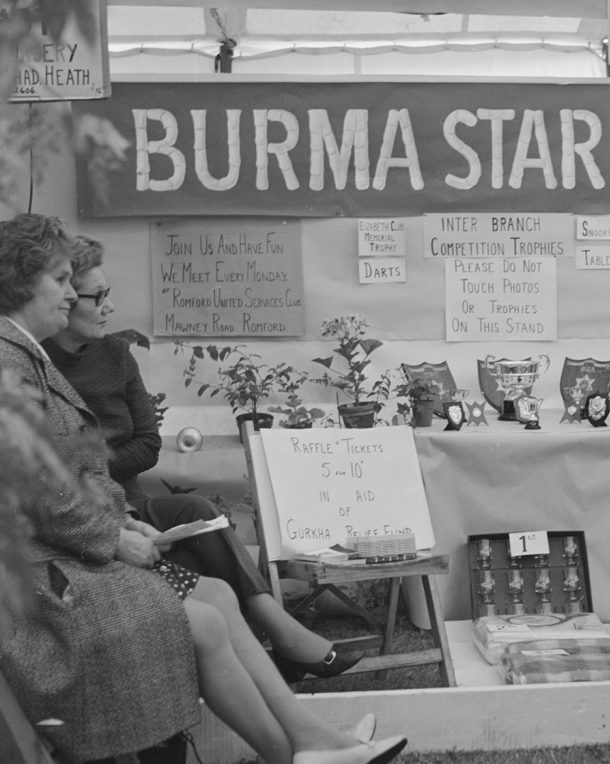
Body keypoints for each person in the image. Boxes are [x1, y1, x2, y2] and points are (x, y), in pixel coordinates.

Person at [0, 213, 406, 764]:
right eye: (62, 280)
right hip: (46, 583)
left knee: (214, 596)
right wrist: (117, 538)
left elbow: (69, 475)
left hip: (60, 561)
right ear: (24, 281)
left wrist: (122, 521)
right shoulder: (9, 358)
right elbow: (43, 488)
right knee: (207, 616)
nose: (73, 295)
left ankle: (312, 743)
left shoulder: (23, 353)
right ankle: (301, 753)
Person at [42, 233, 361, 682]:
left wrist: (96, 470)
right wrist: (89, 475)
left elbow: (149, 444)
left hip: (125, 500)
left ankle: (277, 630)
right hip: (92, 511)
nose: (109, 308)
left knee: (199, 512)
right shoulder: (40, 370)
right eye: (99, 298)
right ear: (64, 297)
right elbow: (49, 471)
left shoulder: (116, 354)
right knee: (198, 534)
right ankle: (281, 640)